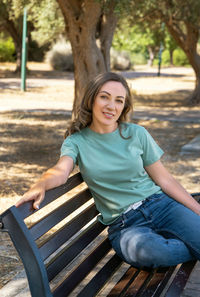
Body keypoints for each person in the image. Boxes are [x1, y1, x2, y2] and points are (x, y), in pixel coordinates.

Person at [16, 72, 200, 268]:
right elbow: (61, 171)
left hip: (161, 206)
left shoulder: (136, 134)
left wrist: (197, 210)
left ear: (124, 106)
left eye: (119, 101)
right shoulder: (76, 142)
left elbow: (166, 180)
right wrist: (41, 183)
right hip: (127, 225)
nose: (111, 106)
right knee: (154, 254)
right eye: (104, 97)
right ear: (92, 99)